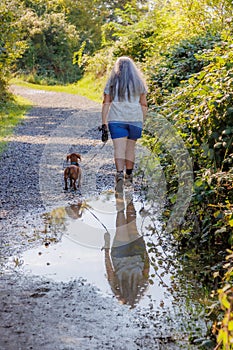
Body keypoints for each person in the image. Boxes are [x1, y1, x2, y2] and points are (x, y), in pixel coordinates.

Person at [101, 56, 148, 191]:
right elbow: (144, 104)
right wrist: (142, 121)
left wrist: (104, 123)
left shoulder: (112, 82)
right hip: (135, 118)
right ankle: (129, 175)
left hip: (116, 119)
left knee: (119, 149)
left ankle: (119, 175)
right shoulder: (139, 83)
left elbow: (106, 103)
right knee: (130, 149)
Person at [103, 193, 149, 308]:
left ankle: (129, 195)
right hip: (120, 255)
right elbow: (109, 271)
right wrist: (106, 248)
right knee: (121, 220)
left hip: (137, 255)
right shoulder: (117, 290)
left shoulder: (142, 288)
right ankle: (119, 193)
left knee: (132, 223)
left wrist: (145, 250)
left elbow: (147, 268)